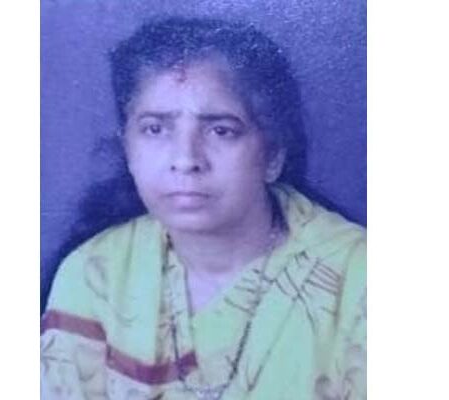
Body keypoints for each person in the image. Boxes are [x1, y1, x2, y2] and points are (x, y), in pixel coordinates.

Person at [41, 16, 366, 400]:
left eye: (221, 130)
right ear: (127, 148)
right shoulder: (94, 273)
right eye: (155, 129)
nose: (185, 159)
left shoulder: (358, 278)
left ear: (273, 155)